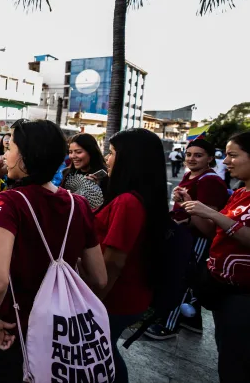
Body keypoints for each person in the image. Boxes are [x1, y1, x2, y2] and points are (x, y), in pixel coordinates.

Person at [0, 119, 107, 383]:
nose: (5, 154)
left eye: (10, 147)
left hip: (14, 327)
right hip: (61, 330)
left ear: (25, 157)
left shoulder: (9, 201)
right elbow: (99, 278)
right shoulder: (78, 204)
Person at [94, 128, 170, 383]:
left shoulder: (128, 202)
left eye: (112, 153)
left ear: (130, 159)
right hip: (128, 294)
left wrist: (90, 303)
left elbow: (113, 262)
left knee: (102, 352)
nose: (107, 159)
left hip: (115, 297)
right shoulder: (141, 197)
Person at [181, 131, 250, 383]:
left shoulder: (214, 182)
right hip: (224, 290)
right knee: (228, 356)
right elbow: (217, 230)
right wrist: (195, 207)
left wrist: (214, 215)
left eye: (233, 155)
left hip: (243, 295)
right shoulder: (241, 191)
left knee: (237, 362)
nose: (226, 162)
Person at [146, 139, 228, 340]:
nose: (191, 158)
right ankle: (192, 322)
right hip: (184, 235)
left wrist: (187, 216)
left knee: (182, 278)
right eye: (189, 154)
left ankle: (169, 325)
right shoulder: (190, 175)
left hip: (196, 238)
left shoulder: (210, 181)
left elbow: (209, 223)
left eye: (198, 155)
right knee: (189, 278)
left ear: (210, 158)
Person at [61, 133, 107, 209]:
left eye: (78, 152)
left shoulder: (105, 176)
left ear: (91, 152)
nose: (73, 156)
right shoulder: (67, 173)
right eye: (70, 152)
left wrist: (99, 186)